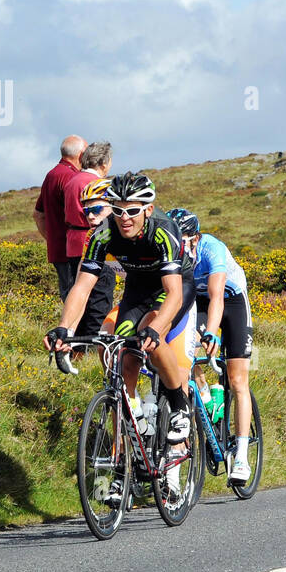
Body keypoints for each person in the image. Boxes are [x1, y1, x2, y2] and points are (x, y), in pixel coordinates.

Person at [45, 172, 195, 499]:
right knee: (122, 358)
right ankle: (136, 430)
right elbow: (81, 287)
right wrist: (65, 329)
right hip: (138, 290)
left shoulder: (163, 231)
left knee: (148, 337)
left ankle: (179, 408)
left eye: (132, 210)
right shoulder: (103, 234)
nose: (124, 218)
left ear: (148, 208)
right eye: (117, 209)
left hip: (173, 288)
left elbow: (172, 296)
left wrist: (156, 329)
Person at [179, 211, 257, 483]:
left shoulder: (213, 250)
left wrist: (211, 333)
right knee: (186, 358)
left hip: (231, 300)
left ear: (196, 238)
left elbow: (217, 298)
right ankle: (208, 398)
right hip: (198, 302)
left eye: (186, 241)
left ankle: (243, 457)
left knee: (237, 380)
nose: (182, 248)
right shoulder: (175, 254)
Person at [62, 141, 116, 339]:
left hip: (73, 241)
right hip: (94, 240)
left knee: (78, 290)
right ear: (104, 162)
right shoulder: (94, 185)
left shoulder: (72, 180)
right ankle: (93, 343)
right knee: (99, 297)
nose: (91, 214)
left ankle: (76, 340)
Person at [34, 135, 86, 296]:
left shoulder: (51, 175)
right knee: (79, 300)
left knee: (69, 297)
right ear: (81, 155)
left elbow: (38, 215)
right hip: (74, 251)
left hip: (58, 251)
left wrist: (52, 239)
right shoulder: (72, 178)